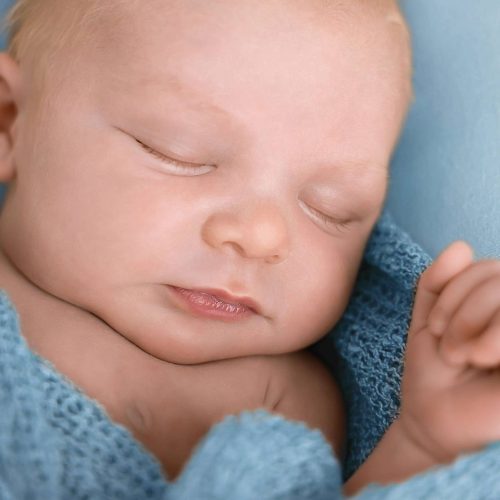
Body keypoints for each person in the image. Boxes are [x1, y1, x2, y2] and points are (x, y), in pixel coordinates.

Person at [0, 0, 499, 495]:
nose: (263, 236)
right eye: (178, 151)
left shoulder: (283, 399)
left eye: (331, 209)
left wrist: (421, 444)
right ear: (9, 121)